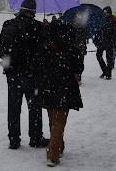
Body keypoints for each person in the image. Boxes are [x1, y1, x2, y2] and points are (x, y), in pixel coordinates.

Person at [0, 0, 48, 150]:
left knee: (13, 107)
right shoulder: (38, 27)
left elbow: (1, 52)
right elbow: (44, 51)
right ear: (33, 11)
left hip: (12, 73)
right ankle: (35, 137)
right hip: (31, 74)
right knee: (34, 107)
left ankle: (14, 139)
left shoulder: (8, 25)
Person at [35, 17, 84, 168]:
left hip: (48, 88)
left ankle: (59, 147)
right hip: (65, 89)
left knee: (53, 120)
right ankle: (52, 155)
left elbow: (36, 65)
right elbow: (78, 69)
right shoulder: (72, 49)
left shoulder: (45, 47)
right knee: (59, 122)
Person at [93, 6, 116, 79]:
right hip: (101, 42)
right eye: (104, 12)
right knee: (98, 56)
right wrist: (96, 40)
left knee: (109, 59)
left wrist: (113, 39)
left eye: (105, 12)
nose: (104, 14)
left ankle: (108, 73)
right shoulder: (100, 20)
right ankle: (104, 70)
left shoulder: (113, 21)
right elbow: (97, 31)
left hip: (109, 42)